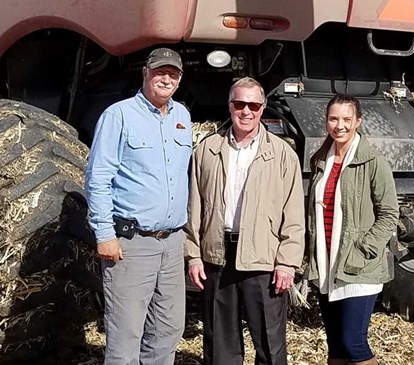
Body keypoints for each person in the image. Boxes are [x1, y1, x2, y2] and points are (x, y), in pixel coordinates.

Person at [184, 77, 305, 365]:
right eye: (240, 104)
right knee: (219, 346)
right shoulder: (207, 150)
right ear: (230, 106)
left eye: (253, 105)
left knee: (270, 344)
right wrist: (193, 256)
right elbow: (194, 207)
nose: (246, 111)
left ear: (263, 108)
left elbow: (294, 215)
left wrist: (287, 263)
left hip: (262, 260)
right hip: (217, 259)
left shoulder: (282, 154)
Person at [85, 48, 192, 365]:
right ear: (145, 73)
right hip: (132, 244)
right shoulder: (119, 115)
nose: (166, 78)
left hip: (172, 244)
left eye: (173, 74)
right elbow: (98, 178)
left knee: (167, 333)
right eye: (160, 72)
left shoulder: (182, 117)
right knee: (125, 339)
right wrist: (104, 233)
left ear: (180, 79)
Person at [306, 94, 399, 365]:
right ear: (326, 122)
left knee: (353, 341)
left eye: (347, 119)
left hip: (359, 267)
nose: (340, 125)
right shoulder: (321, 161)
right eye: (334, 119)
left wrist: (365, 248)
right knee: (335, 345)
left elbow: (389, 213)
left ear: (358, 121)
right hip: (327, 264)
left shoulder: (373, 162)